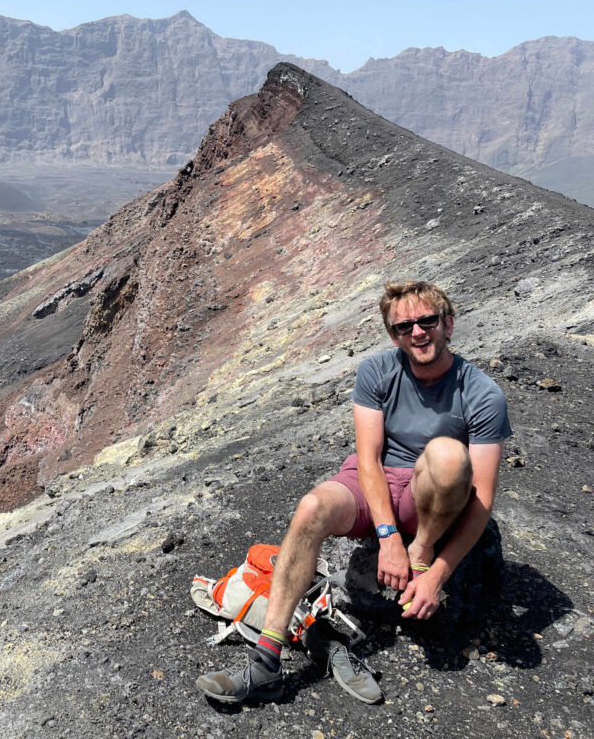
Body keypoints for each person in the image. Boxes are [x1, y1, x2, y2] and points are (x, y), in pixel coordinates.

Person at [197, 281, 512, 704]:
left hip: (433, 495)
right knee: (312, 508)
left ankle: (422, 549)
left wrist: (433, 568)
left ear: (448, 324)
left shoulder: (481, 393)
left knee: (449, 456)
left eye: (427, 321)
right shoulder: (377, 372)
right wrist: (386, 537)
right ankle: (266, 661)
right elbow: (368, 460)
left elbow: (483, 498)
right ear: (393, 334)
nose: (417, 332)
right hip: (378, 479)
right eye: (404, 326)